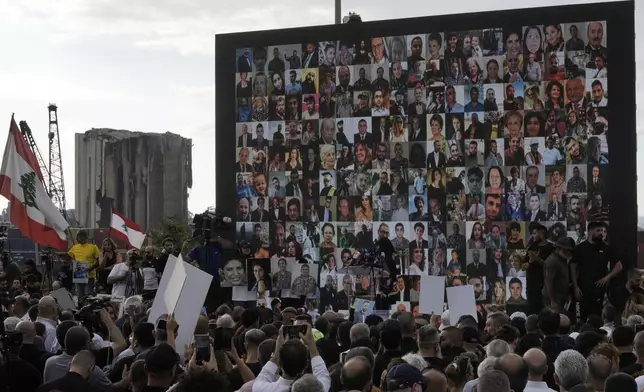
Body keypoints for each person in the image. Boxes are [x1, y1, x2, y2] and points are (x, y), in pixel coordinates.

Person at [253, 325, 330, 392]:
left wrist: (276, 354)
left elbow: (264, 375)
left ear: (279, 363)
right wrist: (311, 344)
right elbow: (322, 373)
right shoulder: (319, 389)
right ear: (306, 363)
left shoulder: (263, 389)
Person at [571, 221, 623, 321]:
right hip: (582, 288)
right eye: (598, 230)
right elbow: (573, 267)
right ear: (590, 232)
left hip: (599, 288)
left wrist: (607, 278)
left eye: (603, 231)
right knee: (580, 317)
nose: (601, 233)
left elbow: (619, 266)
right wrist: (575, 286)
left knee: (597, 316)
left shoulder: (607, 248)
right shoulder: (580, 248)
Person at [185, 233, 234, 311]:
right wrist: (193, 264)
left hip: (219, 282)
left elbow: (229, 245)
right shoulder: (197, 249)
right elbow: (186, 259)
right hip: (205, 283)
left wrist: (218, 238)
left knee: (221, 306)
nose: (199, 239)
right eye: (197, 238)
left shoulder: (216, 244)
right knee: (208, 307)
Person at [543, 237, 574, 311]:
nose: (568, 253)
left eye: (570, 251)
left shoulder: (562, 259)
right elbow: (548, 282)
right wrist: (552, 301)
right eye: (566, 250)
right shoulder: (552, 261)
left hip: (561, 295)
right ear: (558, 248)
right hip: (553, 296)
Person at [67, 230, 100, 298]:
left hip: (89, 276)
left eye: (78, 237)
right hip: (78, 274)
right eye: (76, 237)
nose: (76, 238)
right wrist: (73, 263)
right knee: (80, 296)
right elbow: (68, 258)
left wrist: (89, 269)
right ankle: (80, 307)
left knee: (87, 297)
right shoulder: (75, 247)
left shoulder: (93, 247)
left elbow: (98, 262)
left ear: (84, 237)